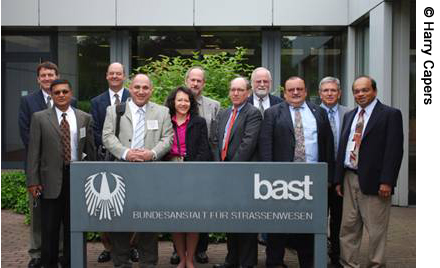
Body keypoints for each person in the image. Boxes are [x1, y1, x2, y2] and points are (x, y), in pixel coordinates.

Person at [259, 76, 334, 268]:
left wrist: (328, 177)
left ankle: (307, 262)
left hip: (312, 180)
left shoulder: (318, 112)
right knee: (278, 224)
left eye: (299, 89)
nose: (295, 92)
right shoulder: (273, 113)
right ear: (284, 92)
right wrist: (269, 177)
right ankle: (275, 262)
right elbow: (266, 147)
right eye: (291, 89)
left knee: (308, 223)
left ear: (306, 91)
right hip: (281, 181)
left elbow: (327, 146)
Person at [102, 73, 173, 268]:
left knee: (149, 221)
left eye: (145, 88)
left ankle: (148, 263)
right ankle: (121, 262)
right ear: (130, 88)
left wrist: (152, 153)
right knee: (120, 221)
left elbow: (168, 138)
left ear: (151, 90)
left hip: (150, 175)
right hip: (122, 173)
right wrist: (126, 153)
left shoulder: (162, 112)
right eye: (137, 87)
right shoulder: (114, 110)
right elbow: (107, 136)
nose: (141, 91)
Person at [26, 79, 96, 268]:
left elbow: (90, 150)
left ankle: (71, 263)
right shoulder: (39, 118)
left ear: (71, 93)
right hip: (49, 181)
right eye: (57, 92)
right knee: (50, 228)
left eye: (65, 91)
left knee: (74, 226)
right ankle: (48, 264)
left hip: (77, 178)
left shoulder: (84, 117)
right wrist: (33, 181)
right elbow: (33, 152)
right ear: (51, 95)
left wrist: (90, 177)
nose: (61, 95)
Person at [335, 76, 404, 268]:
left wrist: (387, 181)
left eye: (364, 90)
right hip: (349, 177)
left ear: (374, 91)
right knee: (348, 228)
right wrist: (339, 179)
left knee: (376, 231)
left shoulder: (390, 115)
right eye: (356, 91)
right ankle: (348, 264)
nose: (360, 94)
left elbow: (394, 150)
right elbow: (344, 147)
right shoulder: (351, 115)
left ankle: (376, 264)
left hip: (375, 182)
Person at [18, 61, 76, 268]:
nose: (47, 78)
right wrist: (39, 169)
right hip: (42, 169)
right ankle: (37, 254)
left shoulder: (71, 101)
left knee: (64, 217)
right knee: (40, 217)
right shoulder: (29, 102)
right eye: (43, 75)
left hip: (67, 170)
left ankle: (60, 253)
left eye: (50, 74)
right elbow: (28, 136)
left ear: (57, 76)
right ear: (38, 79)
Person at [169, 66, 220, 265]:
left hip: (198, 170)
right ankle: (178, 253)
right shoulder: (166, 116)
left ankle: (198, 252)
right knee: (175, 213)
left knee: (198, 213)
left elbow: (212, 141)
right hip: (172, 172)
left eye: (199, 80)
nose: (196, 83)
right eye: (192, 79)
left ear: (203, 84)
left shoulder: (208, 110)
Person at [212, 77, 262, 268]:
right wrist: (219, 165)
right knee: (230, 218)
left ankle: (246, 263)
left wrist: (230, 170)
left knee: (246, 220)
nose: (235, 93)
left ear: (248, 93)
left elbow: (248, 144)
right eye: (233, 89)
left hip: (243, 175)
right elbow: (216, 141)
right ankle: (231, 260)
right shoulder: (224, 113)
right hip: (225, 175)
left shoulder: (253, 113)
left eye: (240, 90)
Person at [90, 62, 136, 263]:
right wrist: (113, 147)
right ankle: (109, 247)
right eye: (112, 73)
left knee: (131, 204)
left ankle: (131, 247)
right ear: (107, 76)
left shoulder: (134, 97)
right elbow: (96, 129)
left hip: (132, 159)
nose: (115, 76)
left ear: (124, 76)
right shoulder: (96, 101)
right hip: (106, 158)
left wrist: (128, 151)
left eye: (119, 73)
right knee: (107, 204)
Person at [164, 86, 212, 268]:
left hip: (193, 173)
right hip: (170, 172)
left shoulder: (199, 122)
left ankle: (190, 259)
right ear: (173, 102)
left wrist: (192, 168)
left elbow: (204, 150)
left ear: (191, 103)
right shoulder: (166, 120)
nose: (183, 103)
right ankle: (181, 258)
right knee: (176, 218)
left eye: (186, 100)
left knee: (193, 218)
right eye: (179, 100)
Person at [318, 76, 349, 268]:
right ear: (320, 93)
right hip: (319, 176)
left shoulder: (350, 113)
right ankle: (318, 253)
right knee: (319, 218)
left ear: (339, 93)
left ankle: (336, 256)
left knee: (339, 218)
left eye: (333, 90)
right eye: (326, 90)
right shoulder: (312, 113)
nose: (329, 93)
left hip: (341, 176)